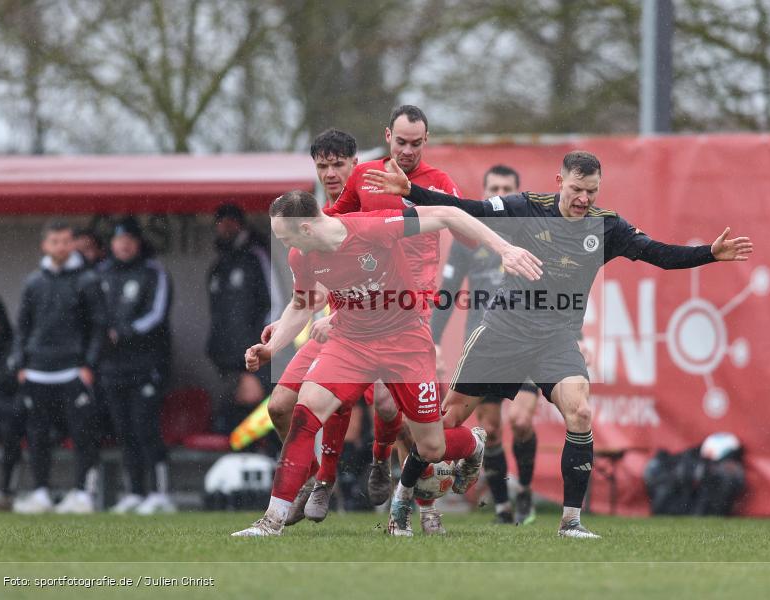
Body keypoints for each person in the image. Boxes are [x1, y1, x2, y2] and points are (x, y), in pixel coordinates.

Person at [364, 151, 754, 538]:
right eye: (577, 189)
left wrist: (710, 254)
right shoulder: (527, 208)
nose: (584, 198)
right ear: (559, 183)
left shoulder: (607, 227)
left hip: (556, 340)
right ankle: (402, 501)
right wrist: (412, 190)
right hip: (503, 332)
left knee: (580, 413)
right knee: (443, 427)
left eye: (592, 191)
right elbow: (470, 208)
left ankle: (570, 522)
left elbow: (658, 254)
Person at [230, 190, 542, 537]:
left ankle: (472, 444)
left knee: (431, 447)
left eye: (285, 236)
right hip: (350, 342)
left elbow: (450, 215)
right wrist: (271, 348)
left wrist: (506, 249)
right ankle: (271, 522)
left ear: (305, 228)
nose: (284, 245)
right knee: (304, 414)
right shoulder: (301, 256)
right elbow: (302, 305)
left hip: (405, 343)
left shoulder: (372, 229)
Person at [321, 105, 470, 534]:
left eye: (416, 143)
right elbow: (335, 222)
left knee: (402, 411)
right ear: (387, 135)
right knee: (382, 408)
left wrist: (419, 196)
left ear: (427, 141)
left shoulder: (437, 182)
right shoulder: (364, 175)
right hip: (369, 306)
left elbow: (464, 230)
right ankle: (384, 466)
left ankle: (421, 502)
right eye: (400, 142)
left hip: (416, 309)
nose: (407, 150)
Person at [263, 128, 397, 525]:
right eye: (322, 165)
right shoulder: (315, 217)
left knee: (398, 415)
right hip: (340, 333)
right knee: (279, 407)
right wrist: (283, 327)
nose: (330, 173)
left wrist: (335, 313)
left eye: (338, 164)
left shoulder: (374, 208)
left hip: (389, 328)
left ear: (356, 163)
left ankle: (390, 471)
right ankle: (310, 479)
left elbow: (399, 279)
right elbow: (312, 292)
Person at [431, 165, 540, 525]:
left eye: (506, 188)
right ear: (484, 191)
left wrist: (577, 337)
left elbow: (559, 291)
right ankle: (503, 507)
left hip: (526, 341)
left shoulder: (534, 234)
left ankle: (524, 491)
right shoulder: (469, 240)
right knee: (490, 429)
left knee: (522, 421)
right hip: (484, 345)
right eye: (493, 187)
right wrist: (431, 341)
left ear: (516, 192)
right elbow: (446, 295)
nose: (499, 193)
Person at [10, 221, 107, 514]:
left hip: (73, 370)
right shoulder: (33, 282)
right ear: (45, 245)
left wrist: (88, 364)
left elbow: (99, 327)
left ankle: (82, 494)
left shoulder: (87, 280)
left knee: (82, 434)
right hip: (38, 371)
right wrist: (21, 363)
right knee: (37, 435)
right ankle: (40, 493)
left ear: (72, 244)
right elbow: (22, 326)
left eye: (66, 241)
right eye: (55, 241)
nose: (61, 247)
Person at [97, 218, 175, 514]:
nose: (124, 244)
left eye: (129, 238)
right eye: (119, 239)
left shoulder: (153, 272)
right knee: (124, 430)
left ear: (138, 242)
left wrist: (124, 332)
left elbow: (156, 315)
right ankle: (135, 491)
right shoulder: (102, 273)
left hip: (146, 364)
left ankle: (160, 493)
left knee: (146, 427)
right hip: (112, 366)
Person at [207, 203, 277, 434]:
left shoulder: (256, 256)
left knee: (258, 407)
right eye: (221, 222)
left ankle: (268, 457)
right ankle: (246, 459)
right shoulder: (219, 266)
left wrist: (262, 346)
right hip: (228, 358)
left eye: (231, 221)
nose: (225, 227)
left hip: (256, 353)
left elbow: (274, 301)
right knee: (235, 411)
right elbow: (218, 313)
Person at [0, 295, 21, 510]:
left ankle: (7, 493)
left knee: (10, 425)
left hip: (11, 413)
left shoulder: (13, 343)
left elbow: (10, 381)